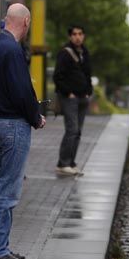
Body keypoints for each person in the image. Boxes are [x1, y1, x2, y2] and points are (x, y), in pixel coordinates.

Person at [0, 4, 45, 259]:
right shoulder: (13, 50)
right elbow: (22, 91)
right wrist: (36, 116)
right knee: (8, 189)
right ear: (27, 22)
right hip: (13, 125)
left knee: (4, 186)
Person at [53, 25, 92, 176]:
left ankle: (71, 162)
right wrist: (68, 92)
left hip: (83, 97)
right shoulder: (65, 53)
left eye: (80, 34)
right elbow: (57, 76)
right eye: (74, 34)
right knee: (72, 130)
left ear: (84, 36)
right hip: (70, 98)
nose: (78, 37)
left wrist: (89, 92)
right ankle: (63, 163)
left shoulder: (85, 52)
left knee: (78, 132)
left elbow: (88, 74)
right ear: (70, 37)